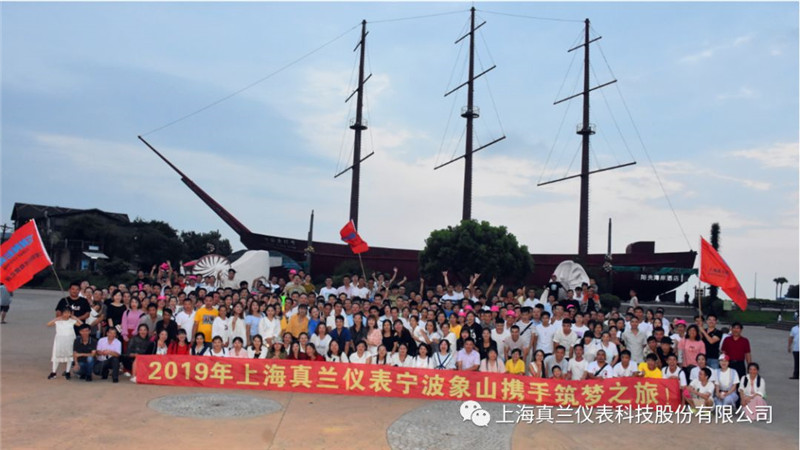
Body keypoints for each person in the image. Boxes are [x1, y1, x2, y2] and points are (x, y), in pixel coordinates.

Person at [47, 307, 79, 380]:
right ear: (62, 313)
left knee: (69, 356)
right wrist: (57, 318)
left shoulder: (72, 321)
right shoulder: (58, 321)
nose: (66, 314)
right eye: (65, 313)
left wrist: (75, 318)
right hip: (59, 341)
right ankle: (53, 372)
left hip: (70, 340)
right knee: (56, 356)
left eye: (68, 313)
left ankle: (67, 372)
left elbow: (81, 325)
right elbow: (48, 324)